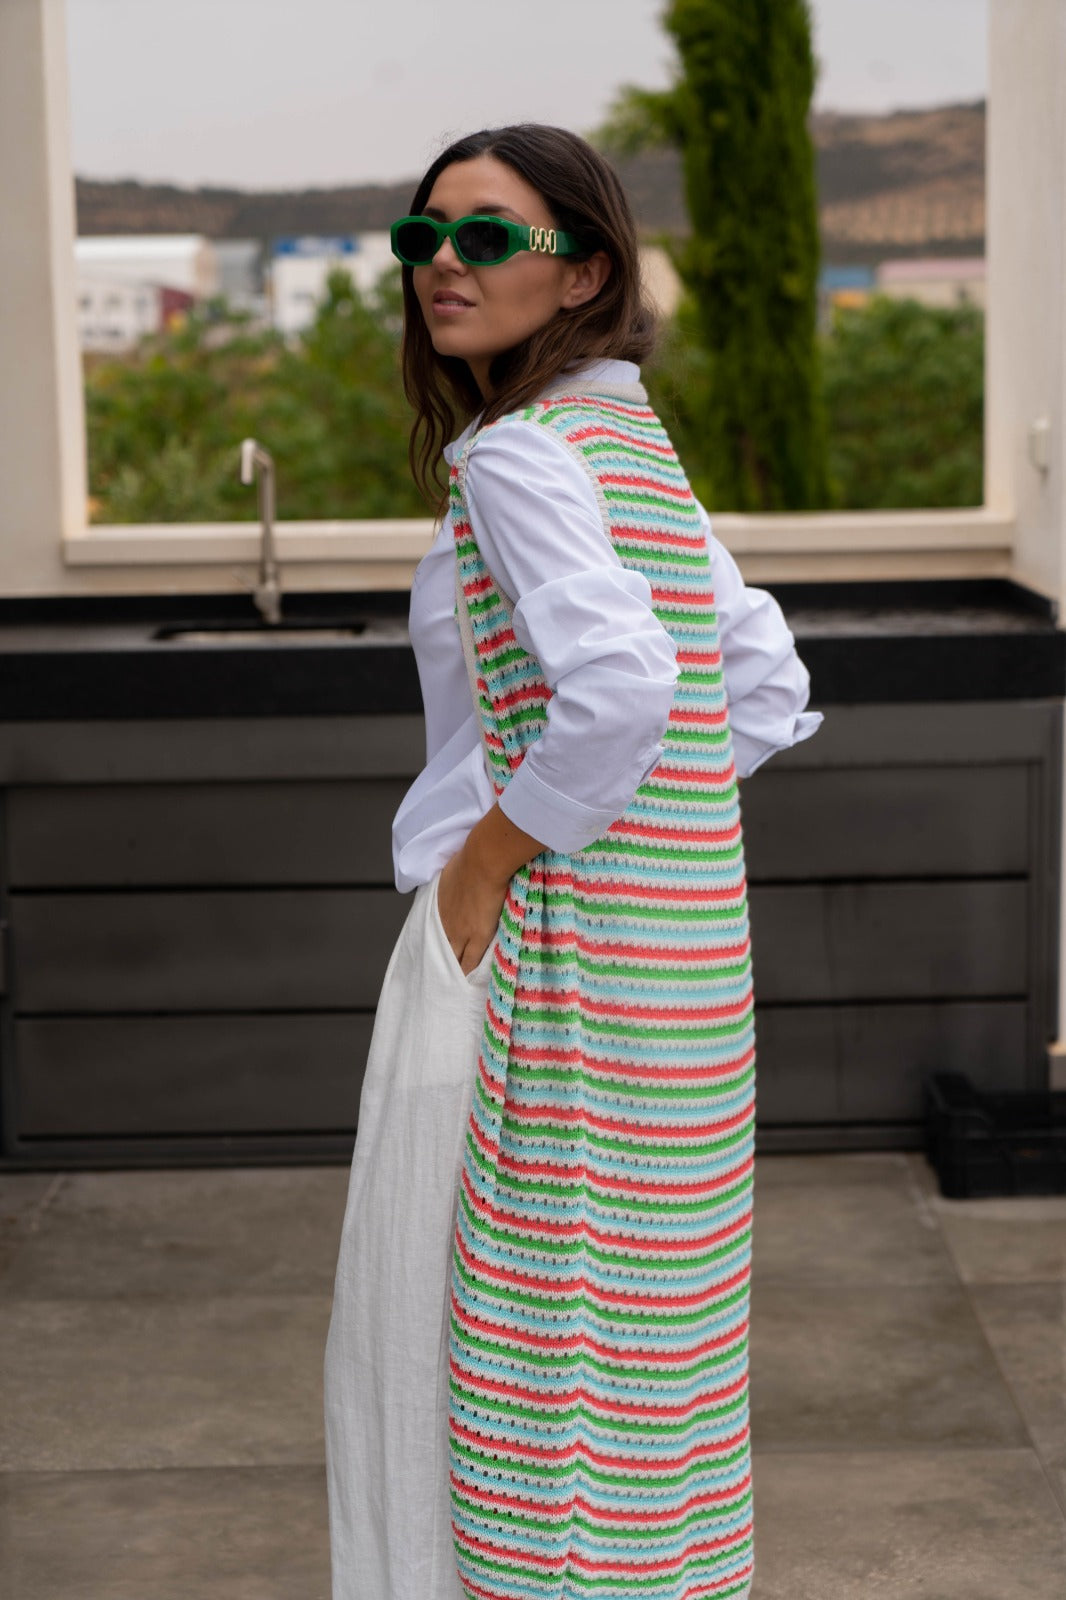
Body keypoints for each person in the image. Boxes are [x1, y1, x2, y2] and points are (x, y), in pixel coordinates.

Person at [324, 124, 821, 1600]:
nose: (441, 265)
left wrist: (491, 862)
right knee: (651, 1337)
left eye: (486, 236)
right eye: (422, 237)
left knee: (511, 1326)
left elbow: (623, 687)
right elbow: (756, 679)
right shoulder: (629, 448)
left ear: (586, 270)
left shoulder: (515, 457)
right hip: (679, 971)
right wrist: (646, 831)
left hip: (550, 959)